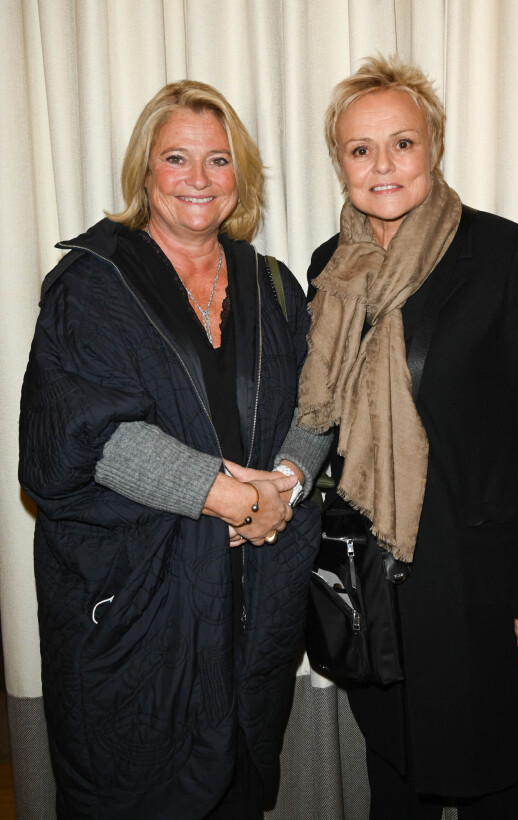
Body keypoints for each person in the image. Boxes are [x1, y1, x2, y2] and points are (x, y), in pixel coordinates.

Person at [19, 80, 329, 820]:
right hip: (136, 607)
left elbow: (319, 404)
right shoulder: (91, 285)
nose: (198, 179)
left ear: (240, 176)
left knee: (240, 782)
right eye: (177, 158)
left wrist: (282, 485)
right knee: (138, 786)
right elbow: (84, 434)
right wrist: (224, 494)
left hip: (254, 600)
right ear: (145, 171)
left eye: (218, 161)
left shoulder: (274, 284)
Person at [298, 55, 518, 819]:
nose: (381, 165)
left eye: (402, 143)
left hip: (480, 589)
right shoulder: (330, 270)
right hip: (373, 584)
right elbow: (318, 424)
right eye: (360, 149)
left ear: (434, 148)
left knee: (499, 785)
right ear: (340, 162)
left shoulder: (501, 254)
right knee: (395, 778)